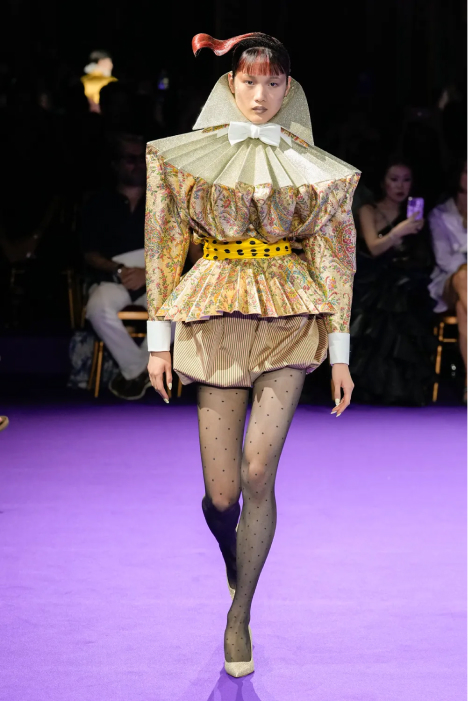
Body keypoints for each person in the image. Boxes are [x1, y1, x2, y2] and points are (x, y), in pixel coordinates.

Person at [145, 32, 360, 677]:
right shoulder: (182, 160)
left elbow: (336, 260)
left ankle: (239, 617)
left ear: (288, 87)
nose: (261, 94)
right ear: (230, 84)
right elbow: (162, 244)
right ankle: (233, 556)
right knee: (221, 495)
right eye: (249, 81)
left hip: (290, 318)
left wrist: (340, 353)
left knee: (258, 472)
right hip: (214, 315)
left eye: (273, 82)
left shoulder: (318, 169)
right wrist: (158, 341)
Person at [350, 158, 436, 405]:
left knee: (408, 307)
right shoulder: (368, 210)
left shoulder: (415, 214)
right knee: (379, 315)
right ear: (383, 182)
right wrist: (399, 231)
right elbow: (374, 247)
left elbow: (422, 257)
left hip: (405, 281)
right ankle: (369, 388)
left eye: (406, 180)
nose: (400, 186)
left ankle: (403, 391)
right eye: (394, 179)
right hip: (373, 279)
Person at [83, 134, 151, 400]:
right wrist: (120, 270)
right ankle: (142, 370)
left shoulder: (163, 200)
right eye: (130, 159)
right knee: (97, 308)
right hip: (113, 276)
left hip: (155, 275)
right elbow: (88, 252)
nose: (138, 164)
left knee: (178, 312)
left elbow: (177, 248)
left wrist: (149, 273)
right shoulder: (98, 203)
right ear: (116, 164)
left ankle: (134, 372)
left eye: (142, 158)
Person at [428, 160, 467, 402]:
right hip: (448, 284)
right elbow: (446, 261)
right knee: (463, 275)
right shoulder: (440, 214)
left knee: (464, 310)